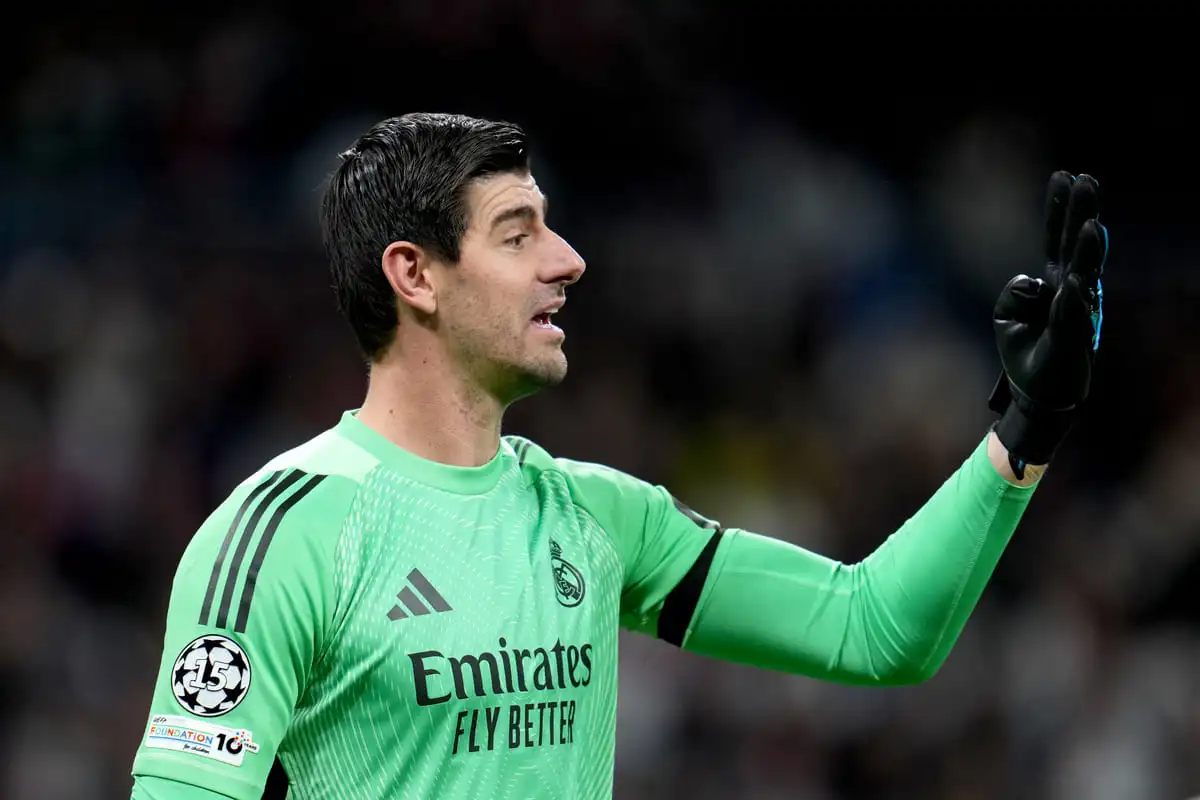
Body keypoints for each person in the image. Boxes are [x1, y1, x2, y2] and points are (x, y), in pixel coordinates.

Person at [128, 112, 1108, 799]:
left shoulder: (596, 515)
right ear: (414, 273)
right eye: (521, 234)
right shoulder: (284, 533)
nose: (568, 259)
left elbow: (876, 628)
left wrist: (1030, 419)